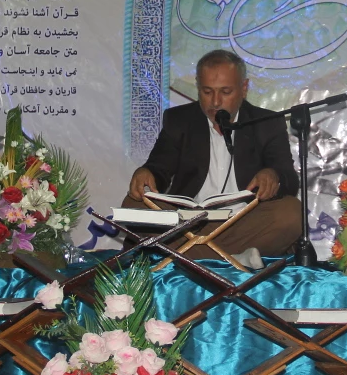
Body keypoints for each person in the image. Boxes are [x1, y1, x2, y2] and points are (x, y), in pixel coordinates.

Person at [124, 50, 303, 261]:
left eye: (225, 92)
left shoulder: (266, 123)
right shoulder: (179, 120)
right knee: (133, 204)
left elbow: (289, 180)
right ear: (198, 87)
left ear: (244, 88)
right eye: (207, 92)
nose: (216, 102)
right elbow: (159, 166)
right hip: (187, 223)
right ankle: (234, 258)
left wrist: (274, 176)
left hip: (245, 223)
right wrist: (147, 173)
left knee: (292, 213)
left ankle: (186, 257)